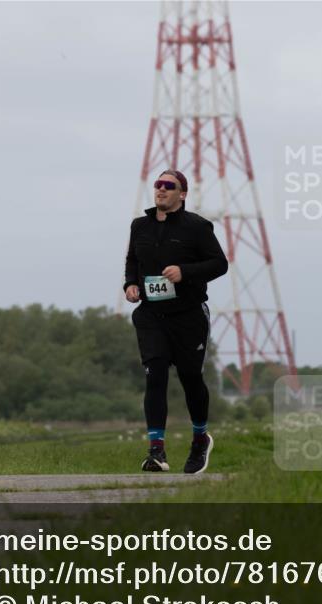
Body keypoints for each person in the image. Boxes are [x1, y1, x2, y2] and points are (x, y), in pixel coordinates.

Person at [123, 169, 228, 474]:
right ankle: (156, 451)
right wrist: (130, 284)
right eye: (158, 185)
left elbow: (219, 263)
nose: (161, 189)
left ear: (182, 194)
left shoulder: (196, 227)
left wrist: (185, 272)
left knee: (190, 377)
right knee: (155, 372)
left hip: (188, 315)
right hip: (151, 314)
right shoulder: (139, 226)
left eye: (169, 186)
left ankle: (200, 439)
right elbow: (133, 260)